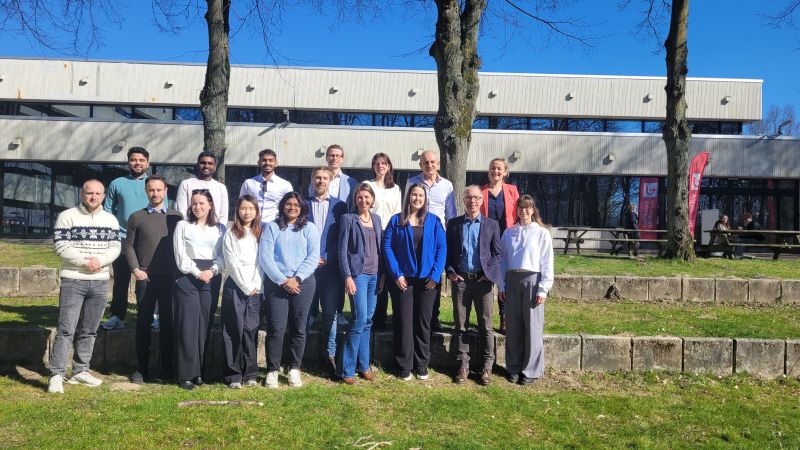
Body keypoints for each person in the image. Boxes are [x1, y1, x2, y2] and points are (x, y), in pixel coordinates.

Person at [48, 180, 121, 394]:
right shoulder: (67, 216)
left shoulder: (110, 219)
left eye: (98, 194)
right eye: (90, 193)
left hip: (99, 281)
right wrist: (84, 262)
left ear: (104, 196)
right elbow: (61, 245)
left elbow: (115, 247)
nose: (93, 197)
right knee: (66, 329)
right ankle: (56, 374)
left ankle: (80, 370)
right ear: (82, 194)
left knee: (90, 330)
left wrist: (100, 261)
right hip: (74, 279)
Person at [383, 183, 447, 381]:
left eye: (421, 195)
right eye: (414, 195)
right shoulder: (397, 220)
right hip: (403, 279)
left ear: (425, 199)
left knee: (423, 322)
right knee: (403, 321)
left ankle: (421, 364)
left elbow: (442, 248)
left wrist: (435, 275)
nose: (417, 198)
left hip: (427, 281)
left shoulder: (433, 221)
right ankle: (404, 364)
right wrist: (396, 274)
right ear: (408, 197)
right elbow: (387, 246)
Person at [175, 151, 229, 378]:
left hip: (211, 276)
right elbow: (180, 257)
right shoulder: (183, 226)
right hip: (188, 276)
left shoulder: (219, 229)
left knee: (204, 323)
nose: (197, 207)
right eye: (194, 203)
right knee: (188, 324)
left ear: (210, 205)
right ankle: (185, 373)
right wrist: (198, 272)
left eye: (202, 203)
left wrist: (212, 271)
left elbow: (223, 256)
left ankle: (199, 371)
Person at [125, 174, 182, 384]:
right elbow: (128, 246)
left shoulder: (177, 217)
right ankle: (141, 367)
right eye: (151, 190)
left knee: (168, 322)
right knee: (143, 322)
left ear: (165, 191)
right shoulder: (136, 217)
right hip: (146, 277)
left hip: (170, 278)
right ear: (146, 191)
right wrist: (135, 269)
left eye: (159, 189)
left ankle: (167, 367)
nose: (155, 193)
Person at [259, 192, 320, 388]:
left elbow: (313, 257)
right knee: (276, 328)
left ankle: (294, 368)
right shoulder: (272, 227)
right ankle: (272, 370)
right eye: (288, 204)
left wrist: (297, 278)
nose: (292, 208)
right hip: (276, 284)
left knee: (299, 327)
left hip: (303, 283)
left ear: (302, 208)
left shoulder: (310, 228)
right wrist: (283, 280)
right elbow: (265, 257)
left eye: (296, 205)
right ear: (282, 206)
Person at [446, 185, 503, 385]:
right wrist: (451, 272)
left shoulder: (491, 224)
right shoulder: (454, 224)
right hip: (461, 281)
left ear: (482, 200)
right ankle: (463, 365)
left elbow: (498, 254)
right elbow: (448, 252)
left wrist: (489, 275)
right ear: (464, 200)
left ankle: (487, 367)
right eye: (469, 197)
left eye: (477, 198)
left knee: (485, 325)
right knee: (461, 325)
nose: (473, 201)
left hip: (483, 282)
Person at [498, 195, 554, 385]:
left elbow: (547, 262)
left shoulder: (541, 233)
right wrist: (501, 285)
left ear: (533, 210)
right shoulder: (509, 233)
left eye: (527, 207)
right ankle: (513, 366)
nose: (524, 211)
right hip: (512, 279)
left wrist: (543, 289)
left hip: (533, 280)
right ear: (517, 210)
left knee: (533, 327)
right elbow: (502, 260)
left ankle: (531, 369)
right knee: (513, 326)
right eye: (521, 207)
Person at [404, 149, 456, 332]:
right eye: (425, 162)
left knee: (435, 276)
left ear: (438, 164)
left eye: (433, 162)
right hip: (416, 234)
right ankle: (414, 314)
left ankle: (433, 317)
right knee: (416, 275)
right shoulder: (412, 182)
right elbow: (406, 207)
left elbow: (451, 214)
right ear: (420, 164)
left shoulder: (447, 185)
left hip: (436, 236)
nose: (429, 165)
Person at [337, 183, 383, 384]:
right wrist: (347, 276)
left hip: (375, 275)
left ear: (372, 199)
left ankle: (363, 366)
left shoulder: (376, 219)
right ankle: (346, 369)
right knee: (359, 319)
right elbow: (341, 250)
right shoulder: (348, 219)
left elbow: (380, 248)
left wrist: (382, 275)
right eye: (359, 197)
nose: (363, 200)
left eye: (366, 197)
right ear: (355, 200)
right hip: (357, 275)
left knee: (368, 321)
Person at [101, 147, 150, 331]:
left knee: (146, 280)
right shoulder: (117, 183)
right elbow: (108, 210)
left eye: (141, 160)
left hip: (146, 240)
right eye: (133, 159)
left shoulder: (154, 183)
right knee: (120, 280)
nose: (137, 163)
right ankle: (117, 316)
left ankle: (149, 315)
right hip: (122, 238)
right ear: (128, 162)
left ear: (148, 163)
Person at [305, 167, 348, 378]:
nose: (321, 181)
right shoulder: (303, 204)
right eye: (317, 178)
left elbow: (342, 237)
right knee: (305, 312)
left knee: (330, 313)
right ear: (312, 180)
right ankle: (301, 356)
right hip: (307, 267)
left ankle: (329, 354)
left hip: (330, 268)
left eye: (324, 178)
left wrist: (326, 256)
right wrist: (312, 258)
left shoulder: (340, 206)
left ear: (330, 181)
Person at [221, 195, 263, 389]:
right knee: (233, 330)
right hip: (236, 286)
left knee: (250, 330)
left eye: (251, 208)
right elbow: (231, 262)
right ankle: (234, 374)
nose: (247, 212)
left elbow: (262, 261)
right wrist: (246, 286)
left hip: (256, 288)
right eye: (243, 208)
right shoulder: (230, 233)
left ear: (256, 211)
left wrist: (256, 284)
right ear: (237, 211)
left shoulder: (260, 232)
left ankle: (251, 373)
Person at [480, 157, 519, 334]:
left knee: (505, 279)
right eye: (492, 168)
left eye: (499, 168)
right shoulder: (481, 191)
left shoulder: (512, 190)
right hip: (487, 241)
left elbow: (517, 215)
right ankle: (485, 318)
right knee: (488, 277)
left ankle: (505, 317)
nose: (495, 171)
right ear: (488, 171)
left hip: (507, 239)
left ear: (505, 172)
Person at [364, 152, 402, 331]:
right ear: (373, 166)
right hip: (372, 232)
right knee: (376, 274)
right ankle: (376, 318)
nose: (381, 166)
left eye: (384, 163)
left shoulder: (395, 188)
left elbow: (398, 212)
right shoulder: (367, 185)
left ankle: (392, 316)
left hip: (390, 233)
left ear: (389, 167)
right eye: (377, 163)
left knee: (389, 273)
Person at [239, 148, 294, 224]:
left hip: (276, 226)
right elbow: (241, 205)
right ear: (259, 163)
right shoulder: (249, 183)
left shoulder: (285, 185)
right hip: (253, 225)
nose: (267, 163)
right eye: (264, 160)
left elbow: (290, 207)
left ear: (276, 163)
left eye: (271, 160)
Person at [176, 151, 230, 222]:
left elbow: (223, 216)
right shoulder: (186, 184)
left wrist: (217, 228)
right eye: (203, 163)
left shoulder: (221, 188)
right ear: (197, 165)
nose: (206, 166)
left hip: (214, 228)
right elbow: (182, 212)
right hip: (190, 227)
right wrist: (191, 227)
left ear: (215, 167)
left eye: (210, 163)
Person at [307, 144, 358, 211]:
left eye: (337, 156)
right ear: (326, 158)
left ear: (342, 159)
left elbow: (353, 206)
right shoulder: (318, 180)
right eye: (331, 155)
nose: (334, 158)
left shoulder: (351, 182)